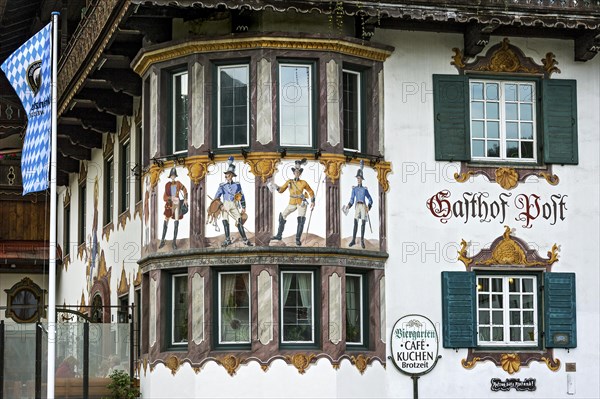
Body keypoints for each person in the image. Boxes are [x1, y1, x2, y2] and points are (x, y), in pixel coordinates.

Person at [270, 158, 315, 246]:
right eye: (295, 172)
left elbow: (311, 192)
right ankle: (279, 235)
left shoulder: (303, 183)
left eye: (298, 172)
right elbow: (281, 190)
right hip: (292, 202)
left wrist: (313, 201)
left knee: (301, 219)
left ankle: (297, 239)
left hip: (301, 202)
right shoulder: (289, 182)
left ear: (300, 173)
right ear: (293, 173)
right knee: (282, 216)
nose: (297, 173)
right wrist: (276, 186)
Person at [214, 156, 252, 247]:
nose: (228, 176)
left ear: (232, 176)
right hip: (225, 204)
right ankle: (227, 240)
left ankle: (245, 240)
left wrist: (243, 207)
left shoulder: (237, 185)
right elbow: (216, 198)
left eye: (229, 174)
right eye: (227, 175)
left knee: (239, 220)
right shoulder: (222, 186)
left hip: (234, 204)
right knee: (225, 220)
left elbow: (241, 196)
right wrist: (220, 206)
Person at [345, 160, 373, 248]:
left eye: (360, 178)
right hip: (357, 206)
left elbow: (370, 199)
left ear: (362, 179)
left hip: (363, 206)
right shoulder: (354, 189)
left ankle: (362, 241)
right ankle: (353, 240)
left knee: (363, 223)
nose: (359, 179)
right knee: (355, 222)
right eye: (357, 178)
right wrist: (348, 206)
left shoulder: (365, 189)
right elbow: (352, 200)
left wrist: (368, 207)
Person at [159, 167, 188, 249]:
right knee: (166, 221)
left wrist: (185, 199)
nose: (173, 176)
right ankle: (162, 240)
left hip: (177, 203)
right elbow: (164, 197)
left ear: (175, 176)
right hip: (169, 204)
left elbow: (185, 190)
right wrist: (170, 198)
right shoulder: (167, 185)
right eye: (172, 175)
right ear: (170, 176)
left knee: (176, 221)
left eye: (174, 175)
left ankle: (174, 242)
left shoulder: (178, 183)